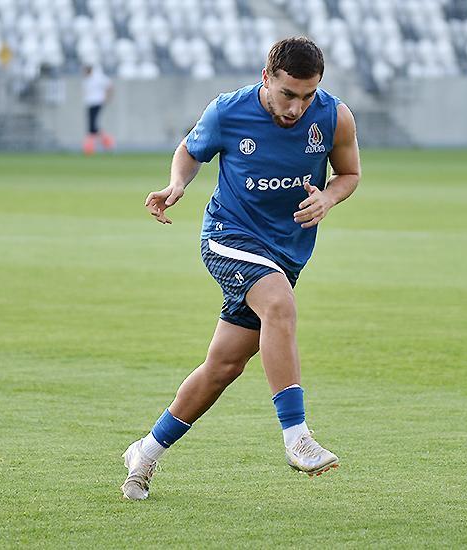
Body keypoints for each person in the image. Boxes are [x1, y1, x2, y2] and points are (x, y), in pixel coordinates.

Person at [121, 37, 361, 500]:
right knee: (279, 304)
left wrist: (328, 198)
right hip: (227, 237)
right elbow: (189, 150)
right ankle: (297, 436)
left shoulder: (335, 117)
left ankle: (144, 453)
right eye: (287, 94)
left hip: (284, 252)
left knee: (224, 366)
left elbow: (348, 174)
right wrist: (177, 184)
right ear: (266, 78)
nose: (296, 107)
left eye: (307, 95)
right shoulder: (228, 111)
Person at [82, 64, 114, 154]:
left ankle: (90, 147)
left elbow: (109, 85)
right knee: (93, 125)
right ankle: (107, 142)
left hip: (97, 102)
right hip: (90, 103)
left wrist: (108, 97)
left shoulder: (98, 77)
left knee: (92, 125)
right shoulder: (87, 79)